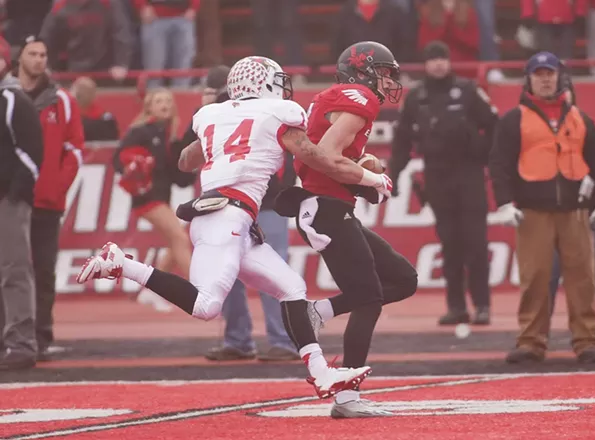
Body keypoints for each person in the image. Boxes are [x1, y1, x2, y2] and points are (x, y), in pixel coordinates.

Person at [77, 56, 393, 399]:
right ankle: (123, 263)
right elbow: (318, 158)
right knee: (206, 306)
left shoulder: (215, 114)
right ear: (266, 84)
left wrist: (223, 144)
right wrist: (369, 175)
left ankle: (321, 373)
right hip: (224, 217)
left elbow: (186, 161)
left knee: (292, 288)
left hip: (233, 217)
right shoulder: (279, 114)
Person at [276, 41, 418, 418]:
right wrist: (370, 177)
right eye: (385, 72)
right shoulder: (360, 98)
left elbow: (329, 154)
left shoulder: (336, 95)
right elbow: (324, 157)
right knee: (368, 298)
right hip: (323, 209)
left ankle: (318, 312)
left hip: (331, 207)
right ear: (365, 70)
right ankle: (347, 398)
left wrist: (363, 168)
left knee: (403, 279)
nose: (389, 81)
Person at [488, 51, 595, 364]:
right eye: (539, 73)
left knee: (582, 278)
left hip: (576, 211)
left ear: (560, 76)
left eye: (550, 73)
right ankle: (531, 341)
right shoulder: (514, 119)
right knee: (535, 278)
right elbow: (499, 164)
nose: (545, 79)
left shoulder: (579, 118)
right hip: (533, 211)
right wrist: (504, 203)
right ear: (529, 79)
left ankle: (586, 341)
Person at [181, 65, 298, 362]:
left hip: (241, 200)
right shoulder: (272, 110)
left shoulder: (214, 113)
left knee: (237, 271)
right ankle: (263, 339)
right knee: (262, 272)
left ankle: (258, 338)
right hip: (253, 198)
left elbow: (184, 160)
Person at [390, 41, 498, 326]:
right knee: (449, 246)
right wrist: (395, 175)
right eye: (433, 59)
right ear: (425, 64)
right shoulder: (417, 97)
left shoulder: (468, 91)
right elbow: (402, 140)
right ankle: (456, 307)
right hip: (436, 176)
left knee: (475, 244)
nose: (438, 64)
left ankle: (483, 305)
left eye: (442, 58)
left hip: (469, 174)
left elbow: (495, 125)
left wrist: (483, 155)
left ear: (449, 62)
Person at [16, 36, 85, 361]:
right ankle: (12, 334)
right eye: (33, 54)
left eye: (44, 54)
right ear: (19, 58)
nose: (39, 59)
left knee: (43, 270)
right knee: (11, 271)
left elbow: (74, 149)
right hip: (10, 198)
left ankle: (41, 334)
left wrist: (57, 186)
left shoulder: (62, 100)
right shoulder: (7, 96)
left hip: (46, 200)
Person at [113, 88, 196, 312]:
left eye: (168, 100)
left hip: (162, 198)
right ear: (149, 106)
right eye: (159, 100)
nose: (164, 104)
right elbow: (118, 159)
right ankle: (201, 291)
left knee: (174, 243)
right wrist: (134, 167)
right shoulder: (141, 131)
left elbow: (180, 177)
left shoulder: (170, 135)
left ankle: (150, 292)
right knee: (180, 237)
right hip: (147, 198)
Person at [547, 81, 595, 352]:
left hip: (585, 212)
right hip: (548, 213)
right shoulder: (534, 127)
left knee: (591, 274)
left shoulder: (583, 123)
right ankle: (537, 335)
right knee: (546, 277)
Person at [0, 36, 45, 370]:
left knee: (14, 270)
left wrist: (15, 193)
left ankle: (21, 343)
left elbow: (31, 152)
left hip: (8, 199)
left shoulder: (12, 99)